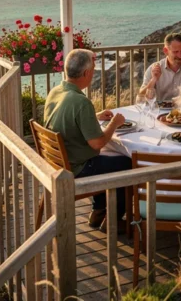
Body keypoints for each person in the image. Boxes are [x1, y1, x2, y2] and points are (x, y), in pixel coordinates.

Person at [43, 49, 131, 229]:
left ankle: (98, 212)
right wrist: (114, 123)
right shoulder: (81, 102)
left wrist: (95, 116)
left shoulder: (56, 91)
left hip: (58, 164)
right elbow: (97, 142)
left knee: (104, 159)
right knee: (127, 163)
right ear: (86, 73)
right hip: (76, 169)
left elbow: (69, 118)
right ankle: (114, 221)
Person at [140, 33, 181, 102]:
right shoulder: (153, 69)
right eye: (176, 52)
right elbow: (140, 97)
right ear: (166, 51)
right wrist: (153, 80)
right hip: (160, 112)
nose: (180, 56)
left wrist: (178, 102)